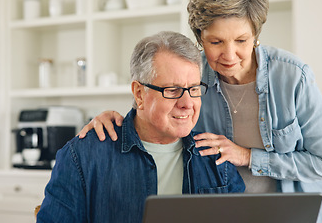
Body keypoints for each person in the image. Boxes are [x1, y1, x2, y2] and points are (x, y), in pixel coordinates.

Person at [78, 0, 322, 222]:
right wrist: (113, 119)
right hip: (229, 211)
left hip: (297, 214)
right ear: (199, 38)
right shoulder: (194, 75)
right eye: (215, 42)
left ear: (256, 35)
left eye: (241, 41)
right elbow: (154, 106)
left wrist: (248, 156)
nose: (229, 55)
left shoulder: (292, 77)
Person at [36, 31, 245, 223]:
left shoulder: (217, 159)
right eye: (173, 90)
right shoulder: (82, 157)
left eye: (194, 89)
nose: (187, 103)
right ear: (139, 94)